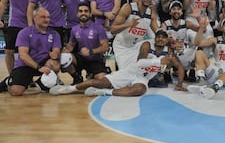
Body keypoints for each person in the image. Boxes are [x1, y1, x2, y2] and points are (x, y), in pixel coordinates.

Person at [49, 29, 187, 96]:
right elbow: (140, 63)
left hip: (142, 78)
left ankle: (104, 93)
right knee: (100, 81)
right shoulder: (146, 45)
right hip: (131, 71)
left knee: (140, 90)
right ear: (155, 38)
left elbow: (180, 67)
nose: (161, 40)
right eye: (158, 37)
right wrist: (158, 62)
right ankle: (69, 89)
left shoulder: (170, 54)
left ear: (167, 40)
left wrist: (180, 84)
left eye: (163, 38)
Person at [0, 8, 61, 96]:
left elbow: (56, 51)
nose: (47, 19)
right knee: (16, 92)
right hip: (25, 65)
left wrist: (55, 54)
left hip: (44, 64)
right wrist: (38, 67)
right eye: (43, 17)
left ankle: (42, 83)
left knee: (55, 64)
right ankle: (8, 81)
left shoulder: (54, 34)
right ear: (35, 18)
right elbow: (23, 55)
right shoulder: (24, 32)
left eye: (48, 17)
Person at [187, 17, 225, 99]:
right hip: (217, 72)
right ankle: (202, 81)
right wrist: (201, 29)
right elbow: (198, 43)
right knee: (199, 53)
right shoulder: (215, 40)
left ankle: (215, 87)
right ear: (222, 28)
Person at [61, 2, 109, 85]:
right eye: (80, 11)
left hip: (95, 59)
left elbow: (105, 47)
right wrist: (64, 51)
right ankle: (77, 77)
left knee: (101, 80)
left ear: (90, 14)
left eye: (86, 11)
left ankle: (95, 73)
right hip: (80, 59)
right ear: (77, 14)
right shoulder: (74, 29)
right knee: (63, 57)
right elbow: (71, 45)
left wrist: (91, 51)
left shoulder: (98, 28)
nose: (83, 13)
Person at [110, 0, 156, 69]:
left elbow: (157, 31)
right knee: (126, 75)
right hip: (122, 46)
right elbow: (113, 30)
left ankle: (156, 74)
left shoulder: (151, 13)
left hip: (135, 47)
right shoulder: (128, 7)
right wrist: (128, 25)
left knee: (157, 42)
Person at [0, 0, 34, 73]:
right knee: (9, 52)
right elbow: (3, 4)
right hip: (13, 24)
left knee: (26, 53)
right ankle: (12, 76)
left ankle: (26, 77)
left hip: (29, 26)